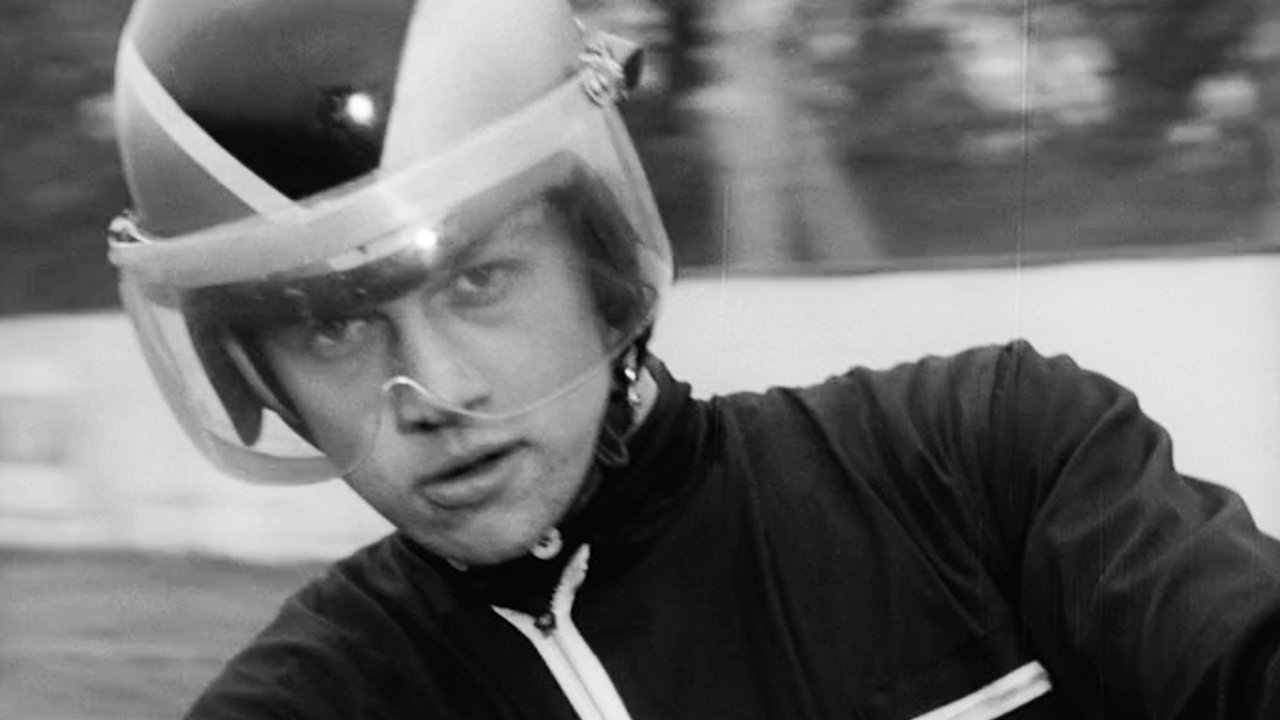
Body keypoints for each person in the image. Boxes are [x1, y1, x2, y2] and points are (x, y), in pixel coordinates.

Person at [105, 0, 1280, 718]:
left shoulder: (992, 469)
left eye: (480, 278)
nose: (439, 392)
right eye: (331, 324)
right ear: (255, 376)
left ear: (597, 258)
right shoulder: (311, 702)